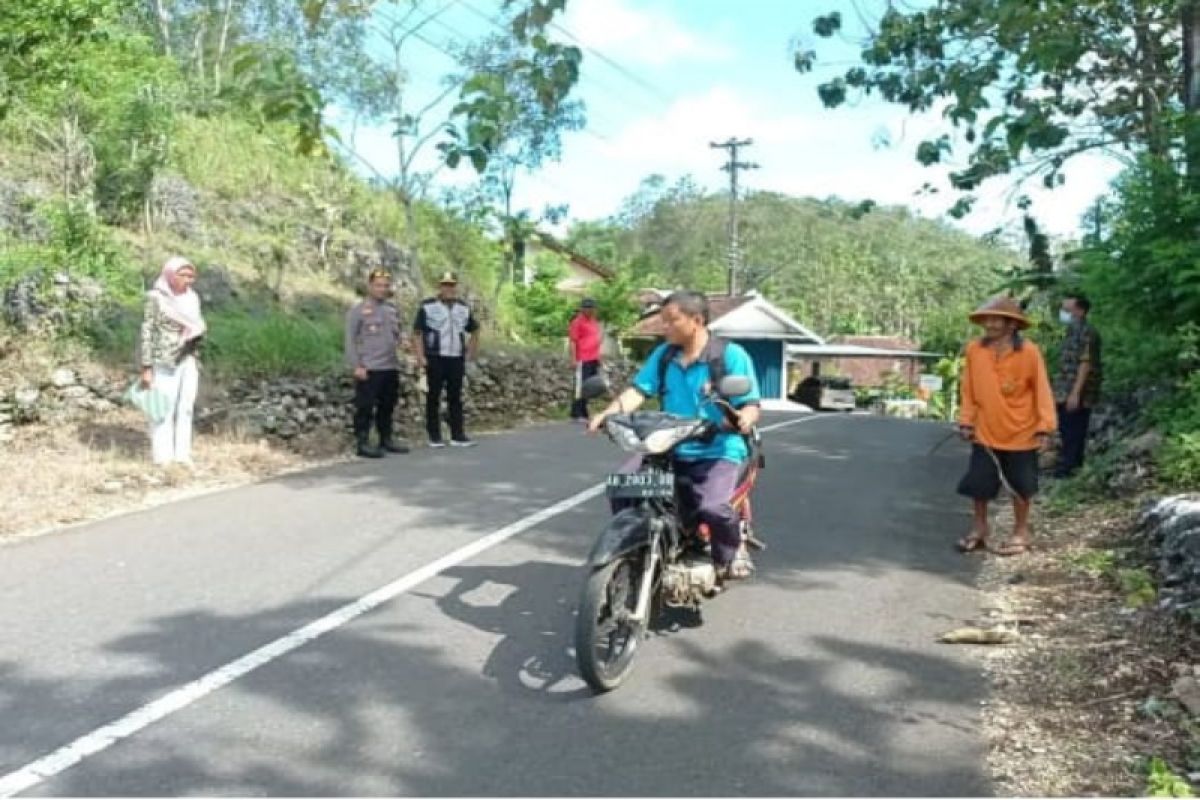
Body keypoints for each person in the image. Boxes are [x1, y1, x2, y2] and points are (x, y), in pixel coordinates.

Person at [587, 290, 762, 581]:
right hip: (668, 446)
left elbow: (751, 404)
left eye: (671, 321)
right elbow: (639, 391)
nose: (664, 327)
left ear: (696, 320)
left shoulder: (730, 355)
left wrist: (744, 418)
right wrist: (608, 414)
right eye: (663, 321)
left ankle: (728, 554)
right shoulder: (664, 355)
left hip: (717, 449)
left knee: (714, 508)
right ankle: (637, 547)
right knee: (623, 487)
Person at [956, 295, 1057, 557]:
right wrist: (966, 420)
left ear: (1011, 324)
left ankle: (1021, 532)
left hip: (1022, 430)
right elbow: (968, 389)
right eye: (986, 319)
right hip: (985, 429)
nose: (989, 324)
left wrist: (1045, 426)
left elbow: (1042, 390)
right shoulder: (975, 350)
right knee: (979, 483)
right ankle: (979, 528)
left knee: (1021, 484)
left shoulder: (1029, 352)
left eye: (995, 319)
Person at [139, 256, 206, 467]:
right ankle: (162, 457)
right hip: (164, 359)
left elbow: (195, 325)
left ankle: (182, 455)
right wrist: (146, 367)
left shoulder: (192, 298)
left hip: (188, 357)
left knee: (186, 407)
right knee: (162, 409)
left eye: (190, 276)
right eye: (183, 275)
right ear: (170, 275)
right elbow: (147, 331)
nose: (187, 280)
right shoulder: (156, 298)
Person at [345, 268, 409, 459]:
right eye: (378, 285)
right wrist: (357, 365)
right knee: (365, 406)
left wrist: (404, 342)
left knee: (387, 405)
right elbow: (349, 340)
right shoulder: (359, 311)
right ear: (370, 286)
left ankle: (386, 439)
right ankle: (362, 442)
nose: (382, 289)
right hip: (369, 367)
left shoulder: (392, 310)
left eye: (386, 286)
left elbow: (399, 334)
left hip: (390, 366)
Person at [413, 270, 480, 448]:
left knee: (455, 397)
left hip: (456, 357)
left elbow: (474, 330)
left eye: (451, 285)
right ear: (439, 287)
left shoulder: (463, 308)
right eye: (445, 285)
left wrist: (471, 351)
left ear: (456, 287)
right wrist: (420, 356)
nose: (448, 289)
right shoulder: (428, 306)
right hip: (435, 356)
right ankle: (434, 436)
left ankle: (457, 434)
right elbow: (418, 332)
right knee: (433, 396)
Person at [1053, 292, 1102, 478]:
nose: (1064, 313)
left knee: (1074, 430)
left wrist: (1075, 393)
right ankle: (1068, 465)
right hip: (1065, 389)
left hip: (1079, 392)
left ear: (1080, 311)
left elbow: (1085, 363)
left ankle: (1070, 468)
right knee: (1066, 428)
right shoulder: (1071, 331)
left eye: (1067, 310)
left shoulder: (1087, 332)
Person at [568, 297, 603, 422]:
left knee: (590, 387)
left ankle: (584, 411)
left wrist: (599, 357)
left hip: (593, 358)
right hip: (582, 358)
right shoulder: (577, 322)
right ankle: (576, 413)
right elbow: (573, 341)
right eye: (587, 308)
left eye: (592, 308)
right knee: (580, 386)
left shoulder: (594, 322)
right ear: (582, 309)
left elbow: (596, 339)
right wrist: (573, 359)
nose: (590, 310)